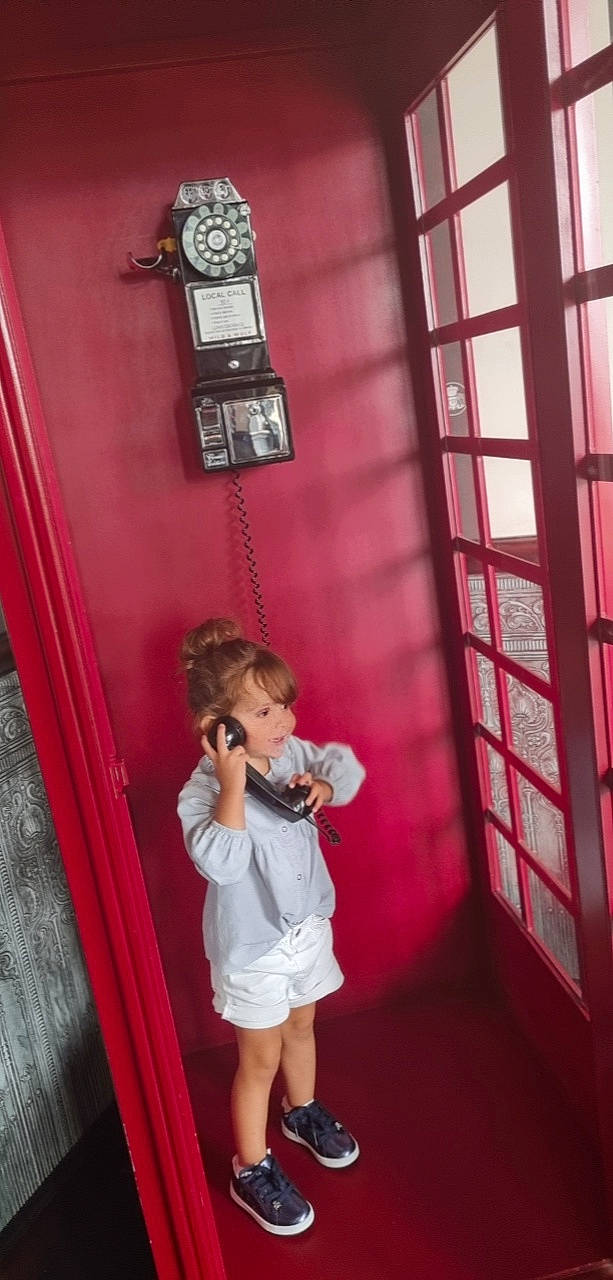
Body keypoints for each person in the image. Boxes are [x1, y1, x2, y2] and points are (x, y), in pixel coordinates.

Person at [177, 618, 365, 1236]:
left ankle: (302, 1109)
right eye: (262, 711)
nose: (282, 722)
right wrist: (233, 784)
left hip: (307, 928)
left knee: (304, 1025)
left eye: (284, 705)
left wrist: (327, 785)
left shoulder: (292, 755)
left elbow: (350, 774)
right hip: (254, 950)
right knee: (259, 1058)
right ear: (218, 728)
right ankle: (251, 1167)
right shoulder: (201, 793)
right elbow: (221, 864)